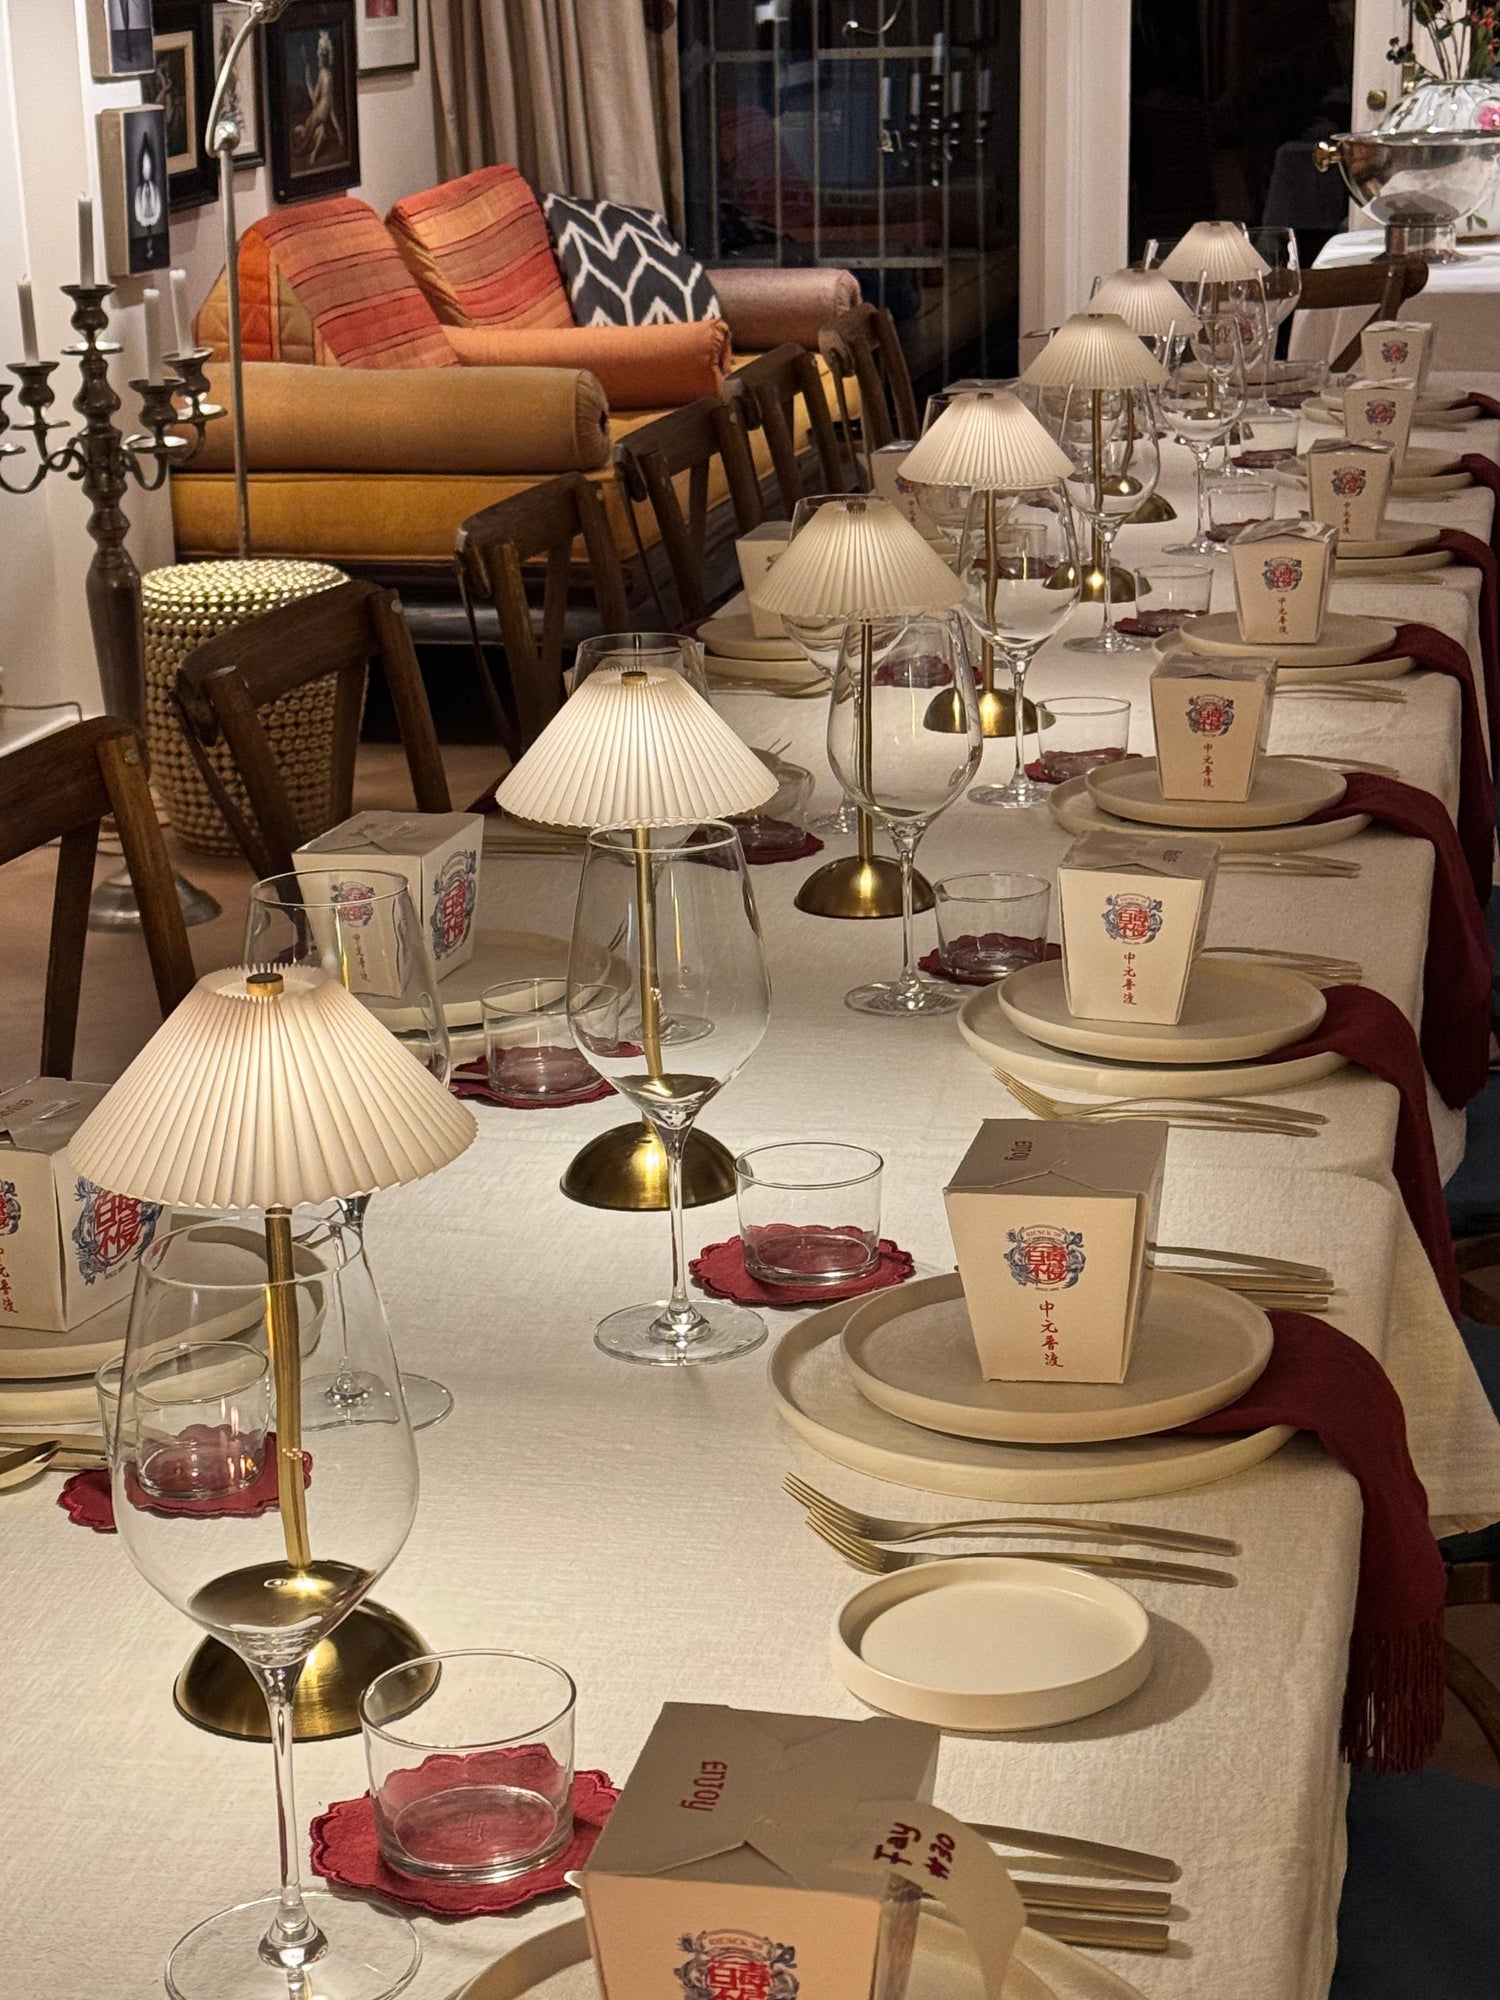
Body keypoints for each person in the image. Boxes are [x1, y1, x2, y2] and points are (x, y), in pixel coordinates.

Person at [292, 30, 344, 169]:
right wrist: (338, 131)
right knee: (317, 130)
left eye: (319, 53)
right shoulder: (329, 75)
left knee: (310, 129)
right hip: (323, 109)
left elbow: (315, 96)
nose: (318, 55)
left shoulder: (323, 74)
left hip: (320, 110)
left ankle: (309, 153)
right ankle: (312, 151)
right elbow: (330, 102)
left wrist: (308, 79)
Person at [133, 138, 163, 233]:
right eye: (144, 168)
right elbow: (138, 205)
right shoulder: (139, 191)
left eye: (148, 168)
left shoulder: (155, 190)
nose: (146, 170)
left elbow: (157, 204)